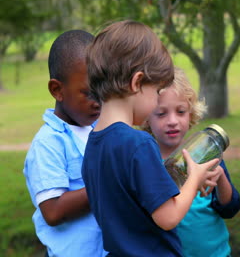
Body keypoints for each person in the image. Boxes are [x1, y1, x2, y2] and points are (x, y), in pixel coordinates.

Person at [81, 20, 218, 256]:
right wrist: (194, 178)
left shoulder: (93, 145)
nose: (156, 102)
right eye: (156, 92)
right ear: (137, 82)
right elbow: (168, 217)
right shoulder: (138, 144)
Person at [142, 67, 240, 257]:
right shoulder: (146, 159)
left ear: (191, 113)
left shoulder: (206, 155)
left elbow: (230, 209)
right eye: (161, 113)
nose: (172, 121)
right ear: (146, 117)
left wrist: (220, 179)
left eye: (180, 112)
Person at [23, 30, 105, 257]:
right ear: (57, 90)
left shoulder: (100, 128)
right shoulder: (48, 143)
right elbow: (53, 210)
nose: (98, 102)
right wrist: (108, 183)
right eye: (88, 93)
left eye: (103, 91)